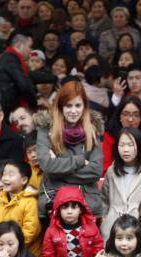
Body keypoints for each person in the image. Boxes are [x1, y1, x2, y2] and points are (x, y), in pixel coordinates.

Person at [37, 80, 104, 219]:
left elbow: (96, 170)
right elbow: (47, 166)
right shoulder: (45, 129)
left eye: (78, 105)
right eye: (68, 106)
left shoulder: (93, 130)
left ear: (84, 106)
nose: (73, 111)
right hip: (54, 199)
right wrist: (80, 161)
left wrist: (58, 170)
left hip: (87, 201)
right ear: (61, 106)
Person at [100, 126, 141, 239]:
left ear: (139, 146)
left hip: (138, 231)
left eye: (130, 145)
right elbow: (104, 201)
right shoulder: (112, 171)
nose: (125, 149)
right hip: (112, 230)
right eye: (122, 145)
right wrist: (106, 220)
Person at [0, 160, 41, 256]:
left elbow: (30, 231)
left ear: (24, 180)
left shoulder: (30, 201)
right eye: (4, 174)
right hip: (0, 251)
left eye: (11, 175)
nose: (5, 178)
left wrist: (9, 247)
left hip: (25, 255)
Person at [0, 32, 36, 115]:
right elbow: (24, 84)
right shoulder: (10, 58)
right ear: (20, 45)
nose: (31, 50)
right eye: (29, 46)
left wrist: (52, 78)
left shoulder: (9, 58)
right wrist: (34, 104)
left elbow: (29, 76)